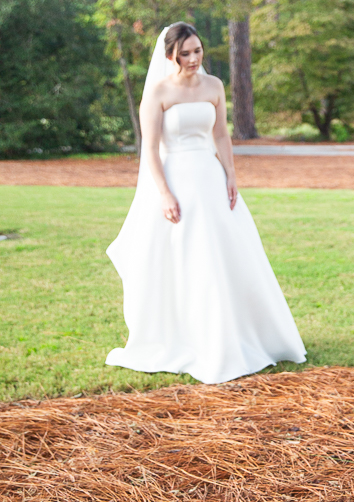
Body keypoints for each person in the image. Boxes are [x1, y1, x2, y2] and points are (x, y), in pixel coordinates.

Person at [106, 22, 306, 384]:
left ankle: (243, 336)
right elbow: (149, 148)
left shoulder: (213, 86)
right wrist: (164, 193)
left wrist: (230, 173)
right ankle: (195, 339)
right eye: (185, 53)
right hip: (177, 180)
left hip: (211, 179)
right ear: (170, 56)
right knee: (189, 258)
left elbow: (220, 133)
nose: (194, 58)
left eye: (197, 51)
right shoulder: (158, 92)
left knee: (229, 254)